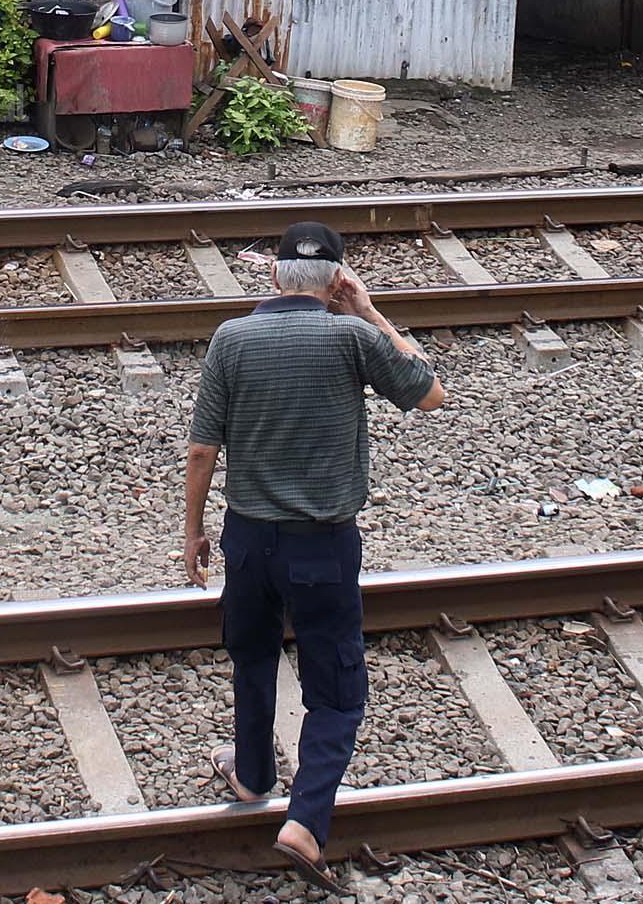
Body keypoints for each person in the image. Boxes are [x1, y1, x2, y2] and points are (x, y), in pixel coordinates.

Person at [183, 221, 445, 894]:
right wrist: (369, 309)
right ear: (335, 280)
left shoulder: (231, 338)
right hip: (323, 542)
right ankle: (304, 822)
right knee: (334, 688)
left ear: (271, 276)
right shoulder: (353, 336)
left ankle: (252, 773)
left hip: (247, 536)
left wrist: (192, 533)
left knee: (252, 651)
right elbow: (428, 391)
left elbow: (202, 450)